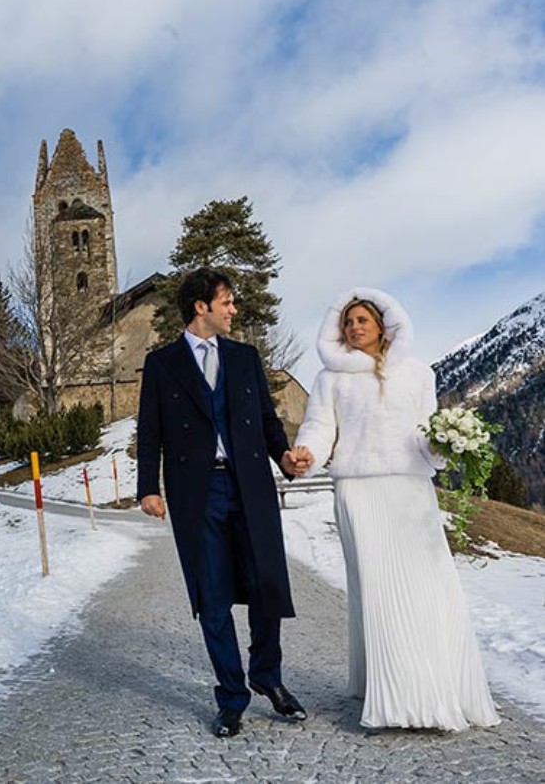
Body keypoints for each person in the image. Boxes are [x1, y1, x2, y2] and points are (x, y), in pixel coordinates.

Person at [294, 288, 500, 732]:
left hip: (410, 490)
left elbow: (424, 431)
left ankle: (438, 689)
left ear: (383, 325)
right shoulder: (330, 378)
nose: (354, 328)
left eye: (362, 320)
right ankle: (393, 697)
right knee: (379, 592)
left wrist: (445, 442)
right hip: (360, 492)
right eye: (347, 322)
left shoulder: (417, 373)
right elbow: (318, 427)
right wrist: (306, 454)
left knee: (429, 589)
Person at [137, 267, 309, 738]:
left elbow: (268, 420)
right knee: (211, 597)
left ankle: (267, 677)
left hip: (249, 484)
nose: (234, 309)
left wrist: (285, 456)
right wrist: (148, 487)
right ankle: (231, 697)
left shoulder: (245, 357)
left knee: (266, 583)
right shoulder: (162, 363)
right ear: (201, 307)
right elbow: (149, 429)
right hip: (197, 493)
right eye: (227, 301)